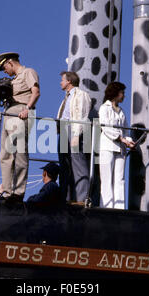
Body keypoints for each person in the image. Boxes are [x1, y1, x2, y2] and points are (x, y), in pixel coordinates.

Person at [0, 52, 40, 202]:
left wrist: (27, 108)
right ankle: (7, 192)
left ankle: (18, 192)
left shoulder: (28, 72)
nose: (4, 71)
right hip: (9, 113)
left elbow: (36, 92)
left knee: (20, 153)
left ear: (10, 62)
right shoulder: (13, 80)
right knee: (5, 155)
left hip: (21, 112)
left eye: (4, 67)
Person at [98, 82, 136, 209]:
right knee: (107, 177)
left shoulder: (121, 111)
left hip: (120, 148)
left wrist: (128, 141)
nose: (124, 96)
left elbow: (125, 130)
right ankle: (107, 207)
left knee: (120, 179)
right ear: (115, 93)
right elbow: (105, 128)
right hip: (107, 146)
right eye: (122, 93)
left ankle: (119, 206)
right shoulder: (104, 108)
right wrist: (122, 139)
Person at [57, 71, 92, 205]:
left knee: (78, 164)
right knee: (65, 165)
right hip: (64, 130)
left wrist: (77, 134)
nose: (61, 82)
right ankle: (67, 197)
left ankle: (82, 198)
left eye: (62, 80)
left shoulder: (81, 95)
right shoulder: (67, 97)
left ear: (69, 81)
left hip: (73, 129)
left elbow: (81, 115)